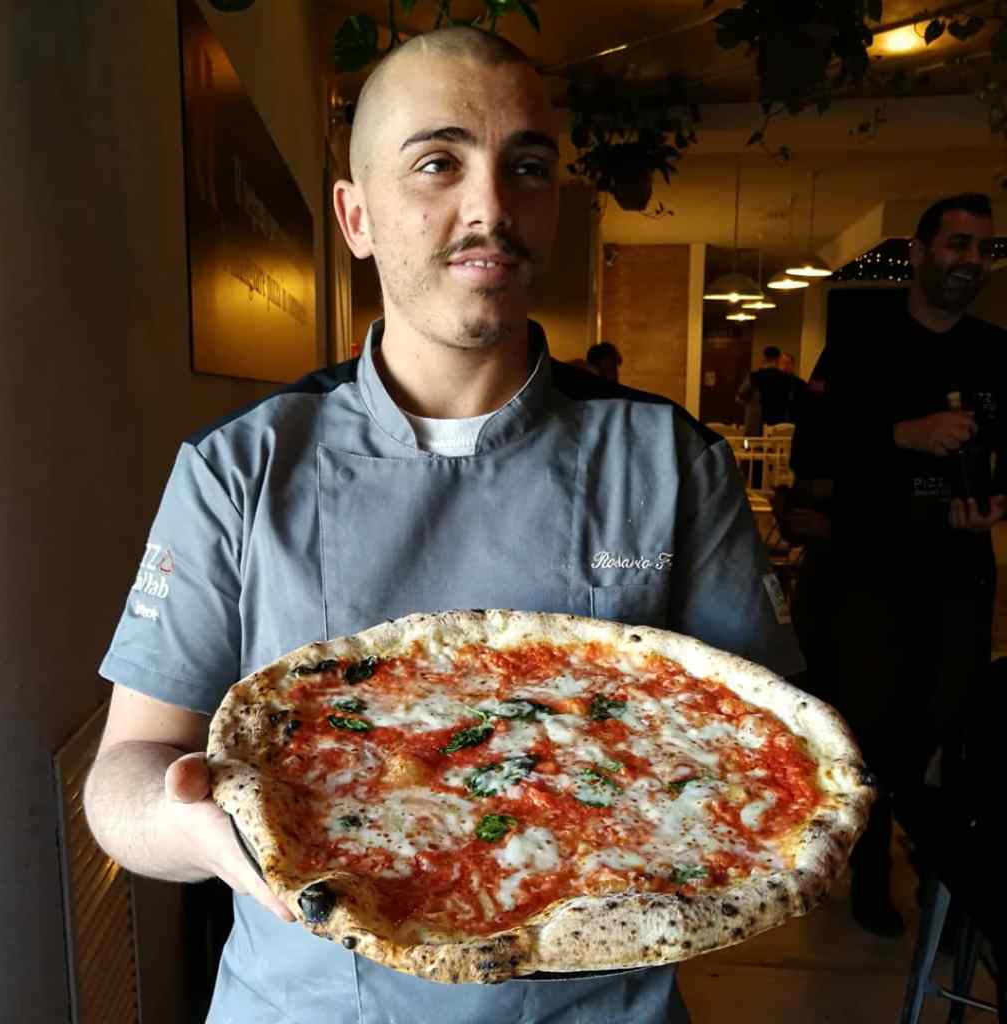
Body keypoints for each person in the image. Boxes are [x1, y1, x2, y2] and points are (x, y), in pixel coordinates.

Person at [84, 27, 804, 1024]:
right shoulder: (240, 467)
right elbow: (122, 777)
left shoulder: (673, 461)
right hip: (309, 1005)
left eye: (527, 168)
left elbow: (763, 746)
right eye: (438, 163)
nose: (491, 208)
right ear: (356, 216)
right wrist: (201, 830)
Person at [789, 192, 1005, 937]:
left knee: (949, 727)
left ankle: (943, 872)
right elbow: (810, 454)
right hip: (870, 572)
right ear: (918, 252)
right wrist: (901, 436)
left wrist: (994, 502)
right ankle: (870, 869)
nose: (970, 261)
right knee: (869, 729)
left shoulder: (996, 352)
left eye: (983, 249)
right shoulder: (860, 345)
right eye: (957, 244)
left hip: (960, 572)